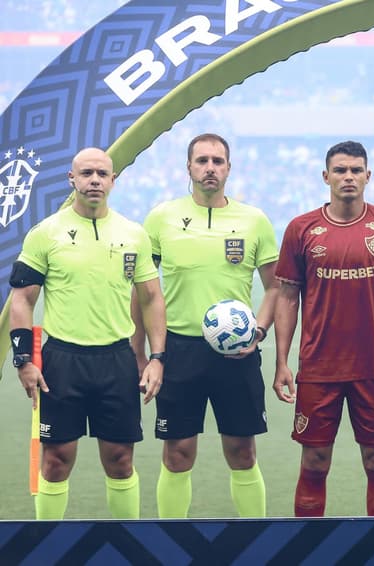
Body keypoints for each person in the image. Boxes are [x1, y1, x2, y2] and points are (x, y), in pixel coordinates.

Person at [8, 147, 166, 520]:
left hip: (117, 360)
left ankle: (130, 541)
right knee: (57, 460)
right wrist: (23, 360)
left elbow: (152, 298)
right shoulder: (46, 233)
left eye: (102, 174)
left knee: (120, 459)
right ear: (72, 179)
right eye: (87, 173)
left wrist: (157, 358)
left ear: (113, 180)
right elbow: (22, 300)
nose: (94, 180)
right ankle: (45, 546)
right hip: (63, 360)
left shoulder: (133, 234)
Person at [273, 140, 374, 517]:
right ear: (326, 177)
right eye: (340, 170)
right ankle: (307, 549)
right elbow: (287, 297)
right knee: (315, 461)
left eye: (356, 170)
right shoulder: (300, 229)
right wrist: (281, 362)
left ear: (368, 176)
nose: (348, 177)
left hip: (373, 367)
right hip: (319, 369)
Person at [134, 133, 279, 518]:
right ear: (189, 168)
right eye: (202, 161)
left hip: (238, 353)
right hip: (180, 351)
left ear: (229, 168)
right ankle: (170, 541)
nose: (210, 168)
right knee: (178, 452)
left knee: (242, 451)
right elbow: (143, 294)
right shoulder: (162, 218)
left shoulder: (254, 220)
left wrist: (259, 332)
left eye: (217, 161)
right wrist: (144, 354)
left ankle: (255, 539)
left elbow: (277, 287)